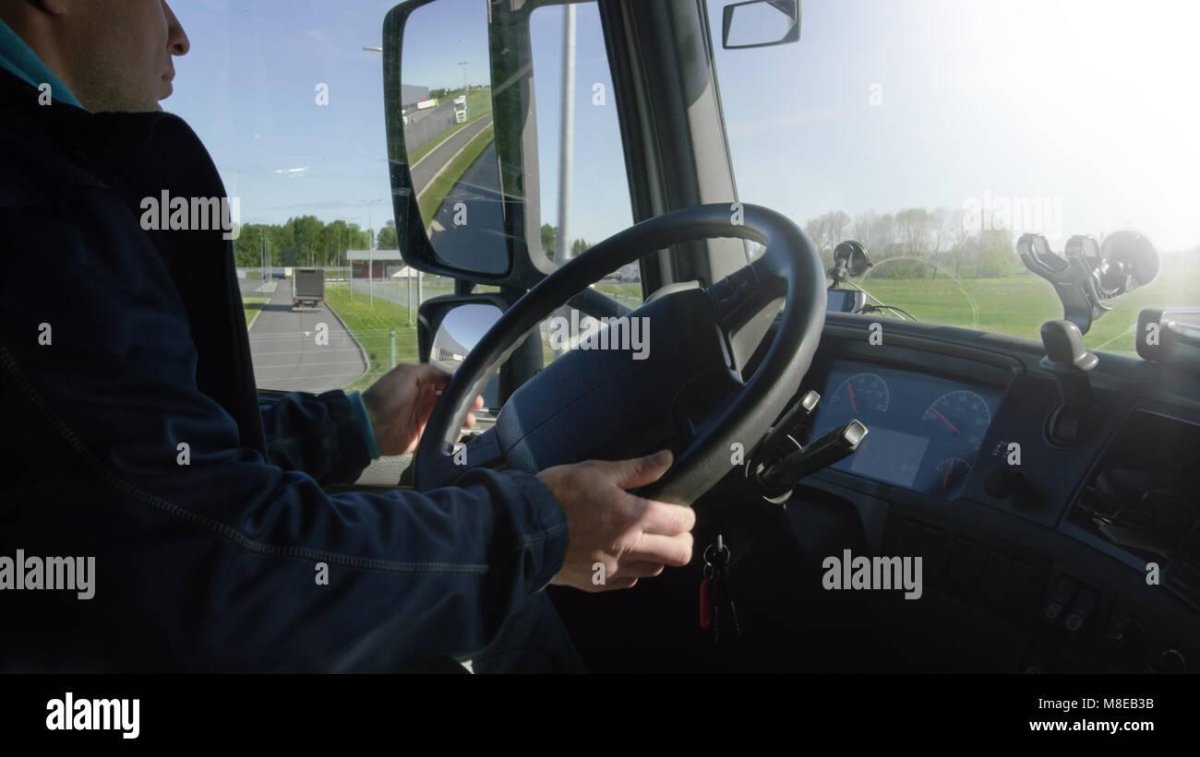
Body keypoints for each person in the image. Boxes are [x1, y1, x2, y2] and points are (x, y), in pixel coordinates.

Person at [0, 0, 695, 672]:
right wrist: (537, 531)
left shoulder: (54, 196)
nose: (179, 35)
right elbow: (213, 564)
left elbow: (147, 467)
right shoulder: (40, 217)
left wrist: (356, 424)